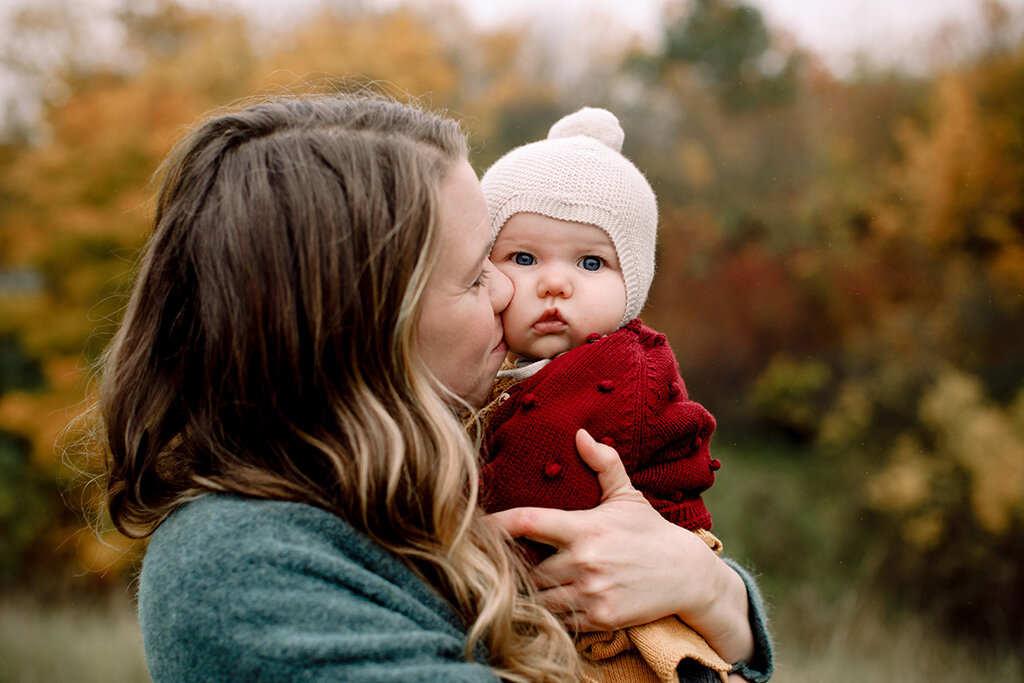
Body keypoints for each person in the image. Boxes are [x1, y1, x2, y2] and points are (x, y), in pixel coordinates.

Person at [97, 95, 771, 682]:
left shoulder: (430, 470)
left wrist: (710, 590)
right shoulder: (239, 563)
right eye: (483, 271)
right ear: (365, 318)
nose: (516, 291)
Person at [474, 107, 757, 682]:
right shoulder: (517, 366)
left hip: (620, 608)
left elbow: (539, 485)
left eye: (591, 261)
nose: (555, 282)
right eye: (523, 258)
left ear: (634, 283)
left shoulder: (615, 367)